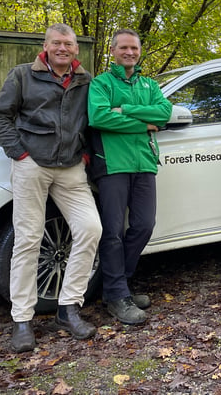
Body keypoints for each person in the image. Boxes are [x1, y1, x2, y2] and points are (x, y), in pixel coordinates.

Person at [0, 23, 102, 353]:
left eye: (68, 43)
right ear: (46, 46)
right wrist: (20, 154)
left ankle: (68, 309)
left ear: (76, 49)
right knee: (28, 239)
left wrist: (82, 154)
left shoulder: (85, 80)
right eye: (57, 43)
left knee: (90, 229)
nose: (63, 48)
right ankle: (22, 319)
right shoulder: (23, 75)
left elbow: (90, 121)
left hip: (70, 169)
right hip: (32, 165)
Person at [88, 29, 172, 324]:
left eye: (134, 48)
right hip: (112, 164)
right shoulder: (101, 83)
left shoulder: (149, 84)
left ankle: (118, 285)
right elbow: (99, 117)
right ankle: (116, 295)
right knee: (112, 232)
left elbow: (164, 113)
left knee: (144, 225)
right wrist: (143, 123)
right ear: (113, 51)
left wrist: (125, 109)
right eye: (123, 47)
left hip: (144, 162)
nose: (129, 52)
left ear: (139, 51)